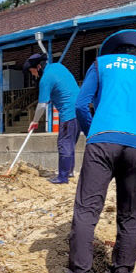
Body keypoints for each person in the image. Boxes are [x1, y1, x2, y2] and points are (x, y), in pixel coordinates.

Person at [63, 29, 136, 273]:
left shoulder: (101, 64)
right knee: (132, 216)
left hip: (103, 142)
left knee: (87, 210)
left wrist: (92, 133)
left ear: (115, 52)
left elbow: (82, 105)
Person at [24, 53, 81, 184]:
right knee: (70, 143)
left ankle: (62, 177)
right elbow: (61, 87)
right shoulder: (58, 67)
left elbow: (42, 104)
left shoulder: (45, 79)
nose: (33, 75)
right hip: (80, 110)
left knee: (64, 144)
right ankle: (69, 172)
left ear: (38, 67)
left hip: (68, 112)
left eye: (32, 72)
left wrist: (35, 121)